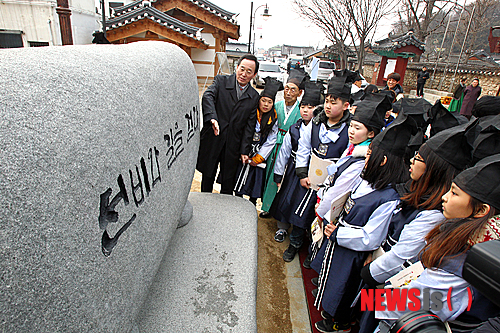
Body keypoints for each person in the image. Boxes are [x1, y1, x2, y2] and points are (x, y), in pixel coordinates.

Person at [358, 120, 478, 333]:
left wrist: (373, 284)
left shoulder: (438, 221)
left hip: (397, 297)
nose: (411, 161)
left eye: (455, 193)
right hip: (389, 282)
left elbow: (421, 294)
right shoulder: (423, 200)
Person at [375, 154, 500, 332]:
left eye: (454, 193)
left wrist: (377, 300)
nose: (445, 197)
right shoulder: (474, 242)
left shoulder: (464, 258)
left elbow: (413, 302)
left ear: (481, 210)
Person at [311, 117, 412, 333]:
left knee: (343, 288)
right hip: (339, 237)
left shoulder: (389, 197)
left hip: (353, 252)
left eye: (368, 156)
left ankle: (339, 322)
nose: (365, 160)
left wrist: (340, 234)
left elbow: (371, 237)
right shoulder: (367, 179)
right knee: (332, 281)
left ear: (382, 160)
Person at [280, 69, 355, 263]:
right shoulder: (315, 122)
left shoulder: (349, 130)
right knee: (300, 212)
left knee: (320, 217)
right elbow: (304, 147)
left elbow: (346, 158)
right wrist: (302, 173)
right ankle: (294, 244)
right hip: (309, 177)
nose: (328, 106)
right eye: (327, 101)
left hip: (330, 182)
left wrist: (330, 180)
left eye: (334, 102)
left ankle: (312, 253)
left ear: (346, 105)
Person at [196, 54, 260, 194]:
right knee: (208, 175)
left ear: (254, 74)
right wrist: (212, 118)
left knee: (228, 180)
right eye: (241, 69)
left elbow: (250, 126)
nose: (244, 74)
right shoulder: (221, 81)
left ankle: (225, 210)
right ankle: (205, 203)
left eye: (249, 71)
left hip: (233, 144)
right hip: (215, 136)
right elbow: (208, 96)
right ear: (236, 68)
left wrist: (244, 150)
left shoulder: (254, 96)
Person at [270, 81, 323, 245]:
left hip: (312, 173)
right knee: (286, 198)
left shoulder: (321, 130)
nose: (306, 110)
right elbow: (284, 153)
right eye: (303, 107)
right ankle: (282, 227)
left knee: (304, 203)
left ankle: (301, 232)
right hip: (293, 170)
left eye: (310, 107)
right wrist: (278, 174)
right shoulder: (294, 128)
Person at [260, 69, 309, 218]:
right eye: (286, 88)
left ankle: (278, 208)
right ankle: (266, 206)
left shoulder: (302, 109)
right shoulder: (277, 105)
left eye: (293, 90)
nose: (288, 92)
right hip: (273, 145)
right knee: (269, 176)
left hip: (290, 147)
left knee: (284, 178)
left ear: (299, 93)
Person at [234, 77, 282, 204]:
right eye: (263, 101)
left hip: (259, 154)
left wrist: (259, 157)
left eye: (270, 102)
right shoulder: (250, 113)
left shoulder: (273, 118)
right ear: (259, 100)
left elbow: (272, 139)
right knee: (239, 181)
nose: (266, 105)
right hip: (245, 151)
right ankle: (238, 203)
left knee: (254, 183)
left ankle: (252, 203)